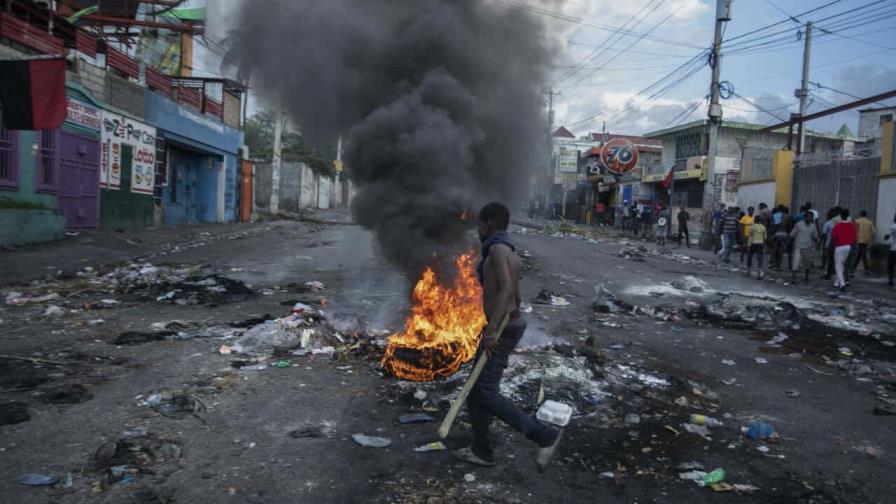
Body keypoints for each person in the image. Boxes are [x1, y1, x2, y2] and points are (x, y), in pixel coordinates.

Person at [455, 202, 561, 470]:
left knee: (486, 392)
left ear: (489, 223)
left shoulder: (498, 249)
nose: (478, 231)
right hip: (507, 324)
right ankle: (481, 449)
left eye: (479, 225)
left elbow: (504, 291)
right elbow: (517, 294)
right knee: (475, 390)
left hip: (501, 329)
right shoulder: (509, 250)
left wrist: (492, 333)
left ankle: (543, 435)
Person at [830, 208, 856, 290]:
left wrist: (832, 245)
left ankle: (842, 283)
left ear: (840, 216)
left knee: (838, 265)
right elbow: (854, 238)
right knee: (842, 264)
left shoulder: (838, 225)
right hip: (848, 246)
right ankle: (837, 282)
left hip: (839, 246)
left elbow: (834, 237)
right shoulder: (852, 226)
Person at [790, 212, 819, 283]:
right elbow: (792, 235)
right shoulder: (798, 224)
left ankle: (806, 277)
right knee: (796, 262)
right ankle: (793, 279)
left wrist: (817, 244)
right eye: (809, 217)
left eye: (811, 217)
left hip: (808, 247)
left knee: (808, 263)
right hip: (798, 246)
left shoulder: (813, 226)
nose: (810, 219)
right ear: (805, 217)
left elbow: (815, 237)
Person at [852, 210, 875, 275]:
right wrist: (870, 238)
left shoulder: (857, 221)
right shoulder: (870, 222)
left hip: (859, 239)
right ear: (866, 215)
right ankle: (857, 268)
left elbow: (854, 230)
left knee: (861, 254)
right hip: (866, 240)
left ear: (860, 214)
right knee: (861, 254)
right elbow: (873, 232)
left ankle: (864, 268)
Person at [746, 214, 767, 278]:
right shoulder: (763, 227)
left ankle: (748, 272)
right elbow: (765, 237)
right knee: (760, 259)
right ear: (760, 221)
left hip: (753, 243)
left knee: (749, 257)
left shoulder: (752, 227)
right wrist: (764, 245)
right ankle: (759, 273)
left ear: (755, 220)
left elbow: (750, 237)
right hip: (760, 244)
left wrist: (748, 246)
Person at [885, 213, 896, 287]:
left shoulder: (893, 226)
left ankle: (891, 281)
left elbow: (887, 236)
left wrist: (886, 237)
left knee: (890, 266)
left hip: (894, 249)